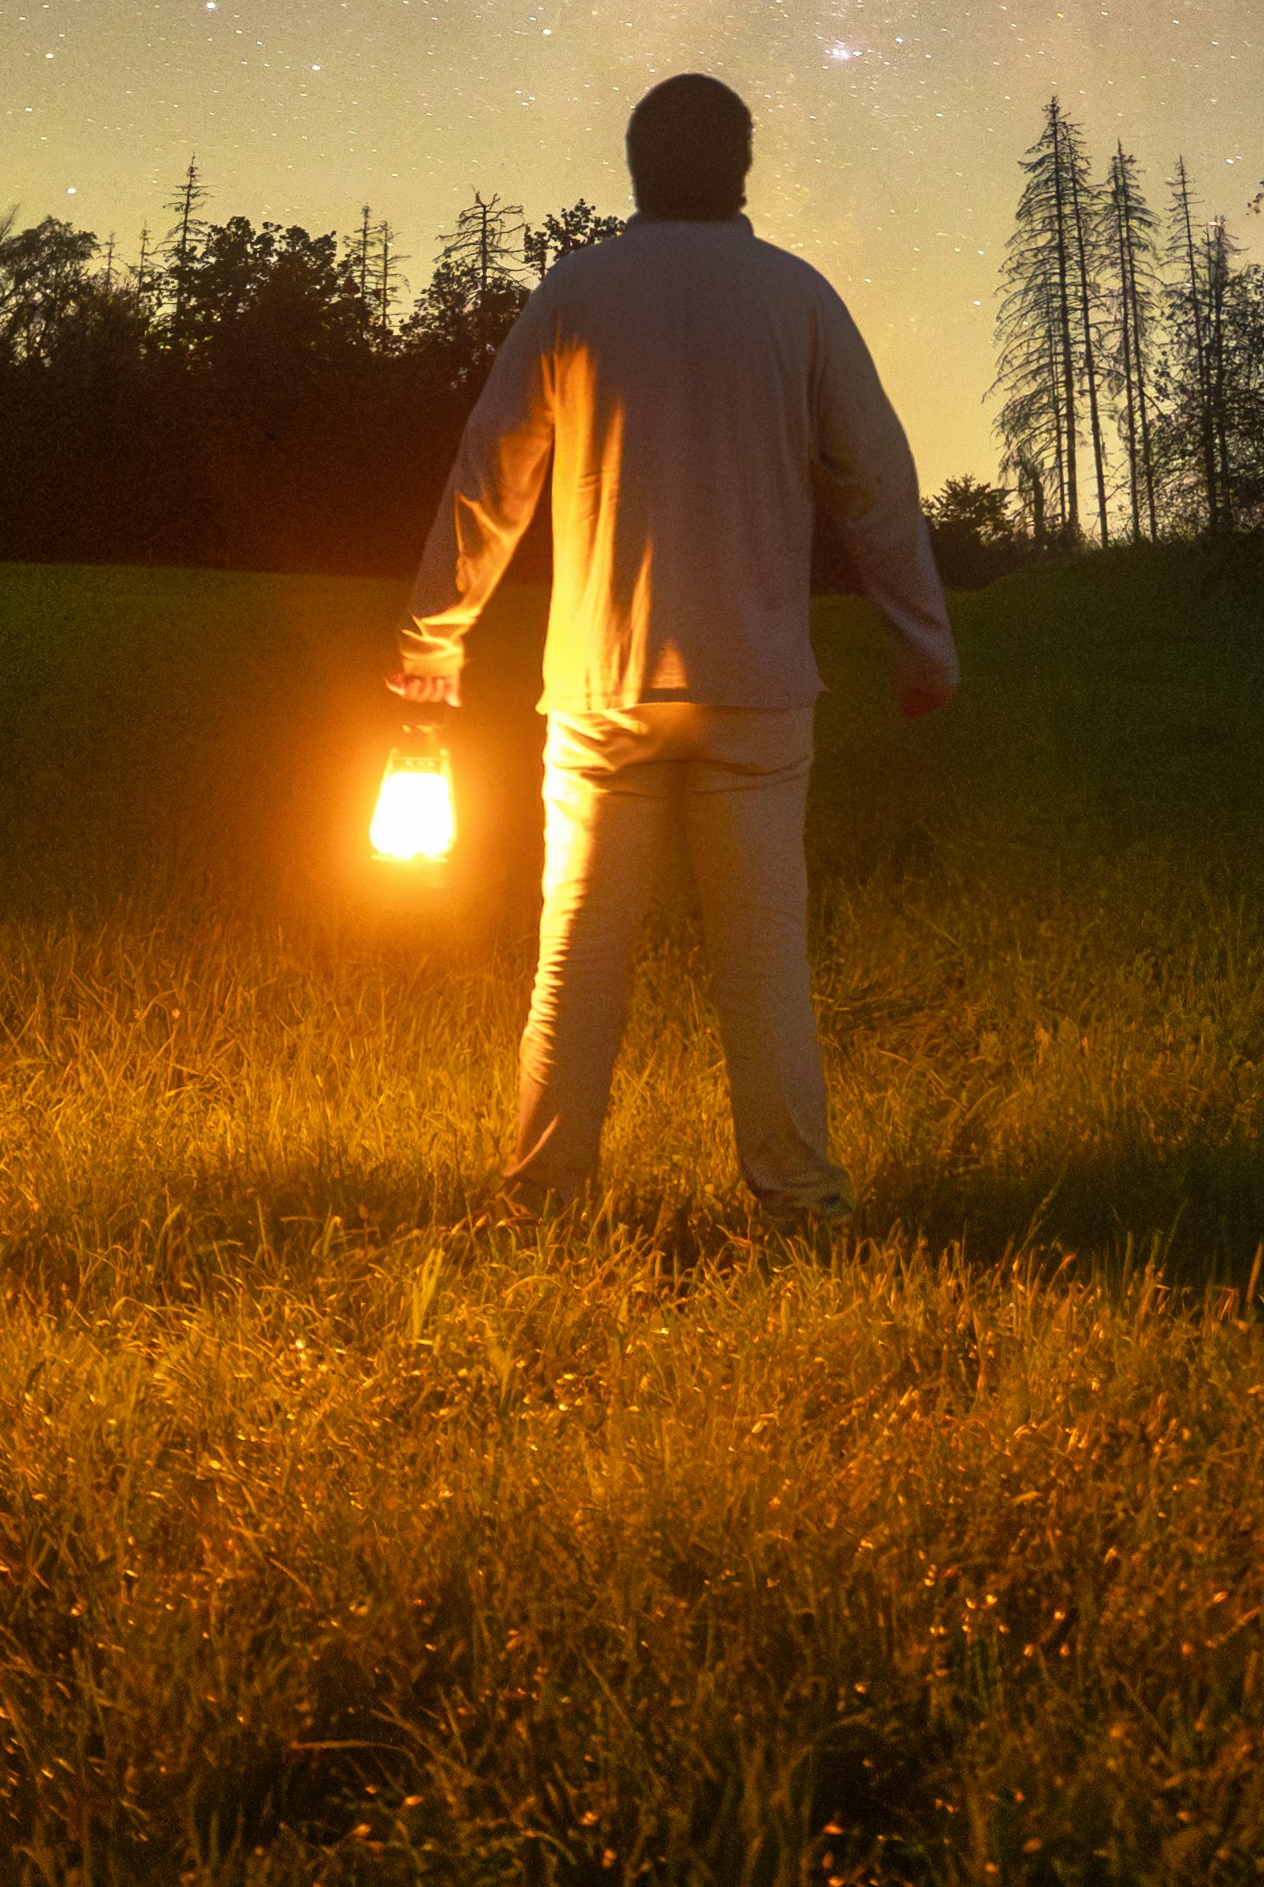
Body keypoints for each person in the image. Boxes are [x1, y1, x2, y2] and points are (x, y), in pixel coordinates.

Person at [388, 66, 958, 1229]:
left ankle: (542, 1201)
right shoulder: (796, 295)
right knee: (764, 965)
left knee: (577, 957)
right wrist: (923, 638)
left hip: (600, 688)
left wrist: (434, 633)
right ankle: (802, 1205)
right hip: (755, 689)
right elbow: (878, 484)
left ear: (635, 167)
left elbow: (492, 472)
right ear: (741, 167)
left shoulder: (579, 290)